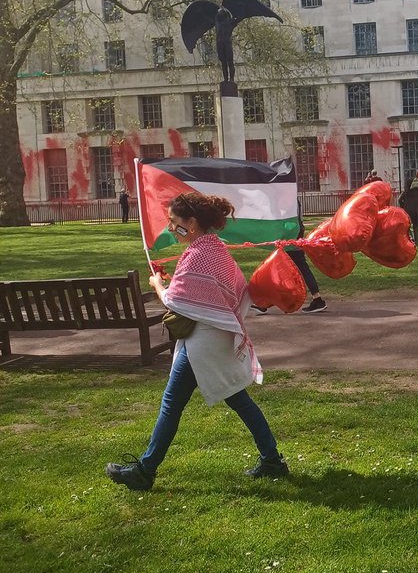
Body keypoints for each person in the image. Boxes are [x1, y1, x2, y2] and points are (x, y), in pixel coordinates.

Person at [105, 192, 289, 491]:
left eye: (174, 222)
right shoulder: (215, 249)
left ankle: (145, 471)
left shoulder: (198, 255)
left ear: (191, 223)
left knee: (171, 404)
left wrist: (158, 285)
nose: (170, 228)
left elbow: (175, 302)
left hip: (202, 342)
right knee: (238, 399)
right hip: (217, 337)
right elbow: (237, 291)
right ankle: (272, 460)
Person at [287, 197, 327, 313]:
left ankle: (264, 303)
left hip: (291, 241)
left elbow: (292, 222)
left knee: (279, 269)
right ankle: (317, 298)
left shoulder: (290, 201)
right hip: (293, 240)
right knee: (301, 270)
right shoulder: (293, 199)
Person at [398, 180, 418, 245]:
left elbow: (399, 199)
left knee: (407, 226)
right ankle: (416, 242)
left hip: (407, 211)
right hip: (417, 212)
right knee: (416, 227)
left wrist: (403, 205)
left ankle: (411, 237)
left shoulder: (405, 192)